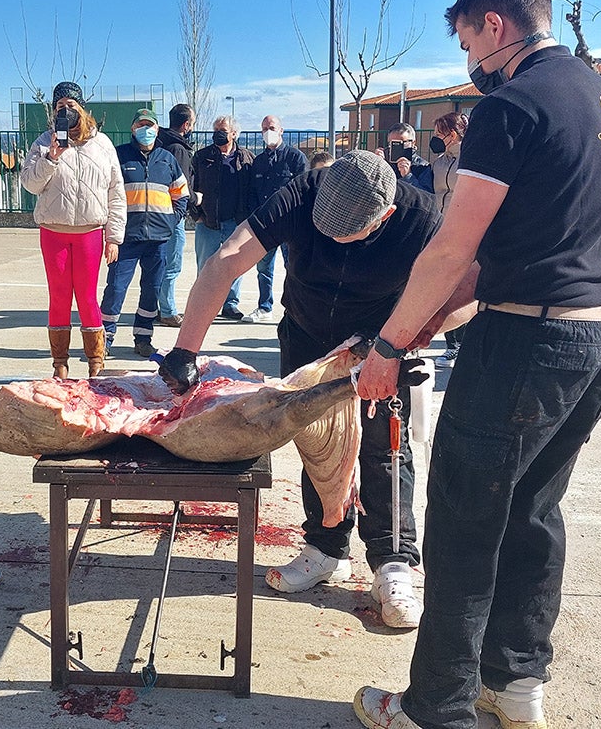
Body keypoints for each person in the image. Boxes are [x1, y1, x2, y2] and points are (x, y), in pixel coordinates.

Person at [351, 0, 601, 727]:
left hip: (526, 343)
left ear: (494, 22)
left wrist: (386, 346)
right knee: (535, 511)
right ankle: (515, 684)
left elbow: (453, 246)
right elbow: (522, 241)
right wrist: (419, 324)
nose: (473, 60)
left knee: (465, 519)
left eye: (471, 43)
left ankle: (435, 706)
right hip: (600, 333)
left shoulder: (509, 108)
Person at [160, 150, 441, 629]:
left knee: (383, 448)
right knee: (316, 442)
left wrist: (397, 343)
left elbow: (461, 294)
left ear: (385, 216)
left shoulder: (422, 218)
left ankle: (393, 562)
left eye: (343, 235)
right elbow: (226, 259)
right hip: (308, 332)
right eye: (323, 231)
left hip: (383, 339)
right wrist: (186, 350)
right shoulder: (302, 192)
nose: (330, 243)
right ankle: (326, 546)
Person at [20, 81, 126, 377]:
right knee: (59, 295)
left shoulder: (102, 145)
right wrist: (51, 157)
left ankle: (95, 361)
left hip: (90, 233)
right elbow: (30, 183)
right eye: (59, 107)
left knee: (88, 296)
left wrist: (114, 237)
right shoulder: (43, 143)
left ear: (82, 108)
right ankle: (60, 363)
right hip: (53, 232)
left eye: (70, 105)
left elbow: (116, 193)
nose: (65, 110)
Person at [100, 110, 189, 360]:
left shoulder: (167, 159)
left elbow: (181, 192)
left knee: (151, 290)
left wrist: (173, 219)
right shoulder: (119, 156)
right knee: (116, 289)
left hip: (159, 240)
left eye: (150, 125)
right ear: (132, 128)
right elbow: (106, 192)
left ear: (157, 130)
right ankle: (104, 338)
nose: (146, 129)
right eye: (141, 124)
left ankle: (143, 338)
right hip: (126, 239)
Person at [418, 111, 470, 370]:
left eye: (440, 133)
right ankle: (452, 345)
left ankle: (463, 344)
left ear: (452, 134)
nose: (435, 138)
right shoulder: (439, 162)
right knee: (442, 288)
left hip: (465, 229)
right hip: (440, 228)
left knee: (463, 288)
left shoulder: (472, 158)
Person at [244, 115, 308, 323]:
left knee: (294, 267)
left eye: (271, 127)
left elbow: (305, 190)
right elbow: (252, 193)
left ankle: (295, 310)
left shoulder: (295, 158)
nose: (267, 132)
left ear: (281, 130)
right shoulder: (259, 162)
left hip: (291, 225)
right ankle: (264, 307)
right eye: (264, 128)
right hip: (266, 226)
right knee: (263, 268)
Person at [190, 114, 255, 320]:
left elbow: (253, 189)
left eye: (223, 131)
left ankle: (230, 304)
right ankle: (204, 302)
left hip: (235, 222)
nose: (218, 134)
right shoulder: (201, 157)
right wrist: (196, 215)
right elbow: (191, 187)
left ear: (234, 134)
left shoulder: (247, 158)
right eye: (215, 130)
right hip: (208, 221)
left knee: (234, 264)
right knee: (205, 265)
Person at [155, 103, 196, 328]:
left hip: (158, 213)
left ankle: (155, 307)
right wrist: (192, 202)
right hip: (172, 216)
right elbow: (180, 186)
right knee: (171, 265)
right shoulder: (179, 149)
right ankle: (168, 311)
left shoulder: (160, 143)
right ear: (186, 124)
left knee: (159, 263)